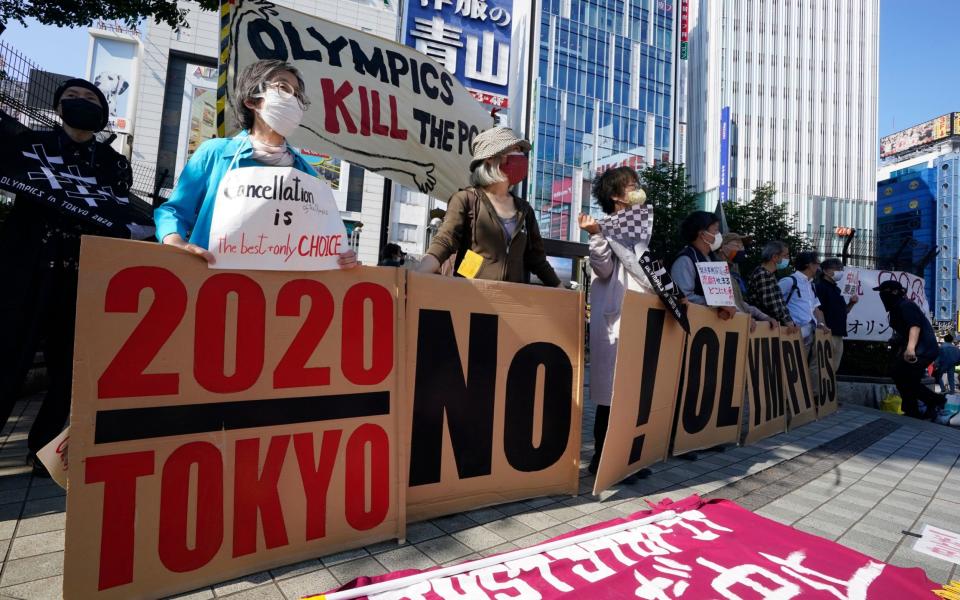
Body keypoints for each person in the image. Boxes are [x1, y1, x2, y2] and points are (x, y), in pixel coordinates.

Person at [0, 78, 152, 474]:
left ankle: (44, 453)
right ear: (58, 107)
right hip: (27, 267)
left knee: (68, 367)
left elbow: (118, 210)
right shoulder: (28, 146)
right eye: (72, 98)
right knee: (8, 357)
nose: (81, 103)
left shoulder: (113, 163)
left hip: (82, 273)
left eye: (90, 99)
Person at [154, 59, 357, 269]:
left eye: (297, 94)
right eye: (283, 88)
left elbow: (323, 241)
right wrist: (174, 240)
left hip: (279, 292)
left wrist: (343, 257)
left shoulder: (308, 175)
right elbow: (173, 211)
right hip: (211, 285)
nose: (293, 99)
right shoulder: (215, 153)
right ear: (251, 100)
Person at [578, 166, 652, 481]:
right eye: (631, 186)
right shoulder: (605, 226)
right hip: (616, 317)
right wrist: (596, 236)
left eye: (637, 184)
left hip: (640, 314)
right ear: (616, 196)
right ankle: (603, 458)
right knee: (611, 395)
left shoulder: (640, 229)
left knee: (635, 392)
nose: (638, 190)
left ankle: (631, 456)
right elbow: (604, 270)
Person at [416, 126, 560, 286]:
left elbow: (538, 261)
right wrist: (417, 276)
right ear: (490, 157)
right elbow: (444, 241)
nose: (520, 156)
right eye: (514, 149)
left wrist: (565, 293)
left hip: (514, 303)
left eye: (521, 151)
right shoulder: (465, 200)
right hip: (471, 299)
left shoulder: (525, 210)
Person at [876, 280, 946, 419]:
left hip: (922, 350)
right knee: (905, 378)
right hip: (920, 349)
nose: (881, 295)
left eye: (883, 292)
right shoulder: (897, 307)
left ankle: (934, 402)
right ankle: (916, 409)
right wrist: (897, 340)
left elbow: (915, 326)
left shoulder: (906, 305)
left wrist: (910, 348)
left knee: (902, 376)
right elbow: (906, 330)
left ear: (895, 292)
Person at [670, 211, 736, 320]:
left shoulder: (713, 260)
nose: (719, 235)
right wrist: (717, 303)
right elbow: (682, 297)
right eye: (715, 230)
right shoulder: (685, 261)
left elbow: (726, 299)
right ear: (702, 234)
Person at [716, 232, 777, 330]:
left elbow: (740, 303)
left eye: (742, 245)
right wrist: (745, 318)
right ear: (723, 247)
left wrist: (764, 317)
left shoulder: (733, 275)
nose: (741, 248)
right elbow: (724, 304)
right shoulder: (715, 271)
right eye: (737, 244)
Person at [813, 258, 858, 372]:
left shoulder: (837, 289)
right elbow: (816, 309)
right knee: (821, 367)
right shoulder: (820, 287)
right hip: (825, 332)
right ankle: (816, 390)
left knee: (833, 368)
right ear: (826, 271)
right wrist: (822, 325)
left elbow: (844, 311)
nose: (840, 272)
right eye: (837, 269)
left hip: (838, 333)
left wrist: (851, 303)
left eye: (841, 269)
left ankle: (828, 390)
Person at [779, 251, 829, 345]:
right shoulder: (789, 281)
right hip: (792, 333)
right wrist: (787, 322)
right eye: (818, 263)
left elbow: (816, 308)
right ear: (809, 265)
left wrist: (821, 324)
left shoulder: (811, 285)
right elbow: (774, 303)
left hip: (810, 333)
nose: (819, 267)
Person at [747, 241, 798, 330]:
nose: (788, 258)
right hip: (764, 326)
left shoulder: (769, 274)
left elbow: (779, 302)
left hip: (770, 325)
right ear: (774, 257)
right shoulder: (763, 274)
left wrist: (790, 320)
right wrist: (787, 321)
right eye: (785, 255)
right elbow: (771, 303)